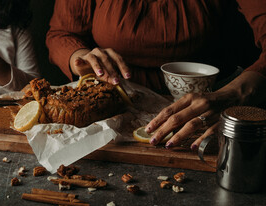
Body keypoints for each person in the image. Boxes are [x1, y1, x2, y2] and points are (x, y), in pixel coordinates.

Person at [46, 0, 266, 150]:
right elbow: (62, 34)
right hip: (113, 122)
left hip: (207, 121)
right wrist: (82, 58)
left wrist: (235, 94)